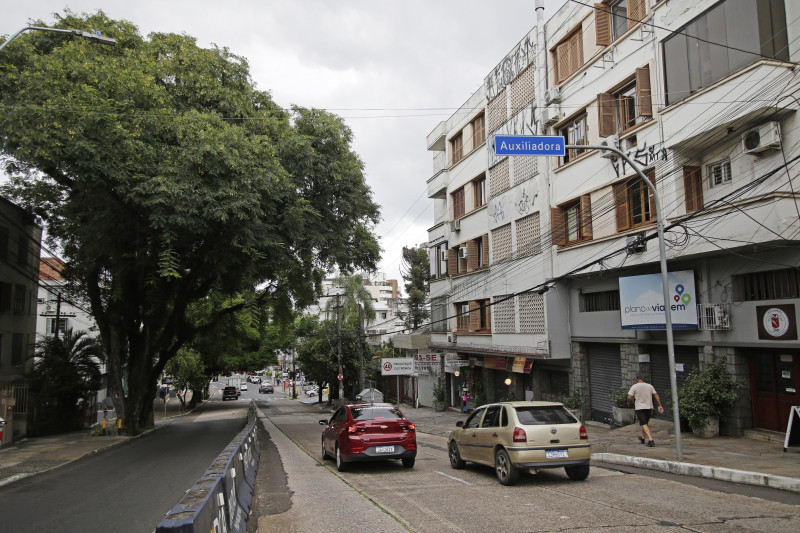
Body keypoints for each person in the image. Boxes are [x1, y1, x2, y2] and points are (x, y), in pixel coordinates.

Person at [627, 373, 664, 447]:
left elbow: (629, 397)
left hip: (640, 408)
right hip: (649, 407)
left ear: (636, 379)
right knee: (645, 423)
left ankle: (650, 440)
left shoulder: (634, 386)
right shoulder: (649, 386)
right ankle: (643, 438)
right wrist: (660, 405)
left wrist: (628, 403)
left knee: (644, 423)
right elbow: (656, 396)